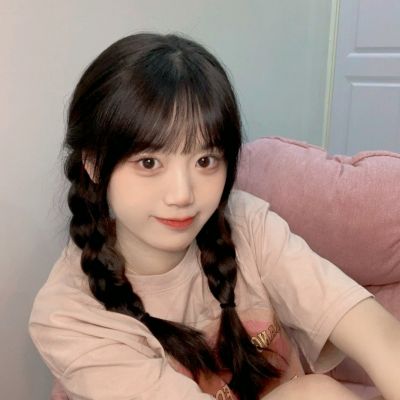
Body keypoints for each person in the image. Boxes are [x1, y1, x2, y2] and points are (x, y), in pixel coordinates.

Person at [29, 32, 400, 400]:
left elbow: (375, 333)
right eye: (149, 162)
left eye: (205, 161)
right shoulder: (69, 315)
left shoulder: (247, 224)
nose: (182, 195)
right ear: (94, 163)